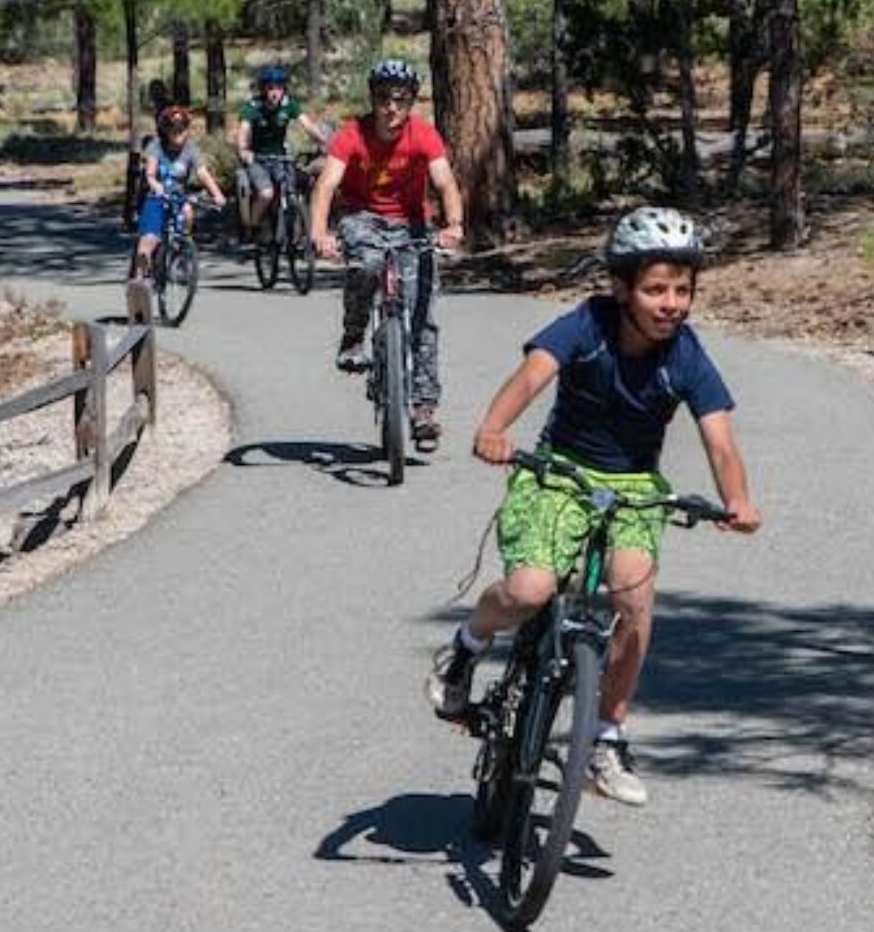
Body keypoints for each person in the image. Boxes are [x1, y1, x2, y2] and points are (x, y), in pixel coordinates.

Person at [425, 207, 763, 807]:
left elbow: (719, 437)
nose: (671, 303)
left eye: (682, 290)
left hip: (634, 485)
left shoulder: (685, 352)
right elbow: (534, 375)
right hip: (557, 472)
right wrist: (494, 428)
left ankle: (606, 737)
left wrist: (738, 500)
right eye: (656, 289)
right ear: (622, 287)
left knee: (634, 600)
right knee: (529, 590)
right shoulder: (588, 324)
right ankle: (466, 648)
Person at [308, 58, 465, 449]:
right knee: (366, 265)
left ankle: (424, 409)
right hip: (363, 218)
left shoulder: (423, 135)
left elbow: (445, 182)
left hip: (412, 223)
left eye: (400, 99)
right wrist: (319, 231)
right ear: (373, 99)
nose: (391, 107)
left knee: (422, 315)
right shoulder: (351, 135)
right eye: (383, 98)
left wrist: (454, 225)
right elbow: (327, 185)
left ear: (411, 102)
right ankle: (354, 336)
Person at [237, 64, 330, 246]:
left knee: (298, 187)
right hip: (258, 159)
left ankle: (302, 229)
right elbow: (244, 130)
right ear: (264, 89)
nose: (274, 93)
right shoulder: (253, 107)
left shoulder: (289, 105)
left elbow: (308, 126)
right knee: (266, 193)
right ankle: (253, 226)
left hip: (282, 159)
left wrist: (324, 142)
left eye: (278, 88)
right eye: (270, 88)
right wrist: (243, 150)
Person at [133, 105, 227, 278]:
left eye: (182, 127)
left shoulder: (191, 149)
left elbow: (202, 173)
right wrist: (155, 185)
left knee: (188, 213)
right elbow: (150, 173)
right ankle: (138, 280)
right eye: (173, 128)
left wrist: (217, 194)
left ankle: (181, 250)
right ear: (165, 129)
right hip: (157, 198)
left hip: (178, 197)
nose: (178, 132)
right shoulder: (156, 146)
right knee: (150, 239)